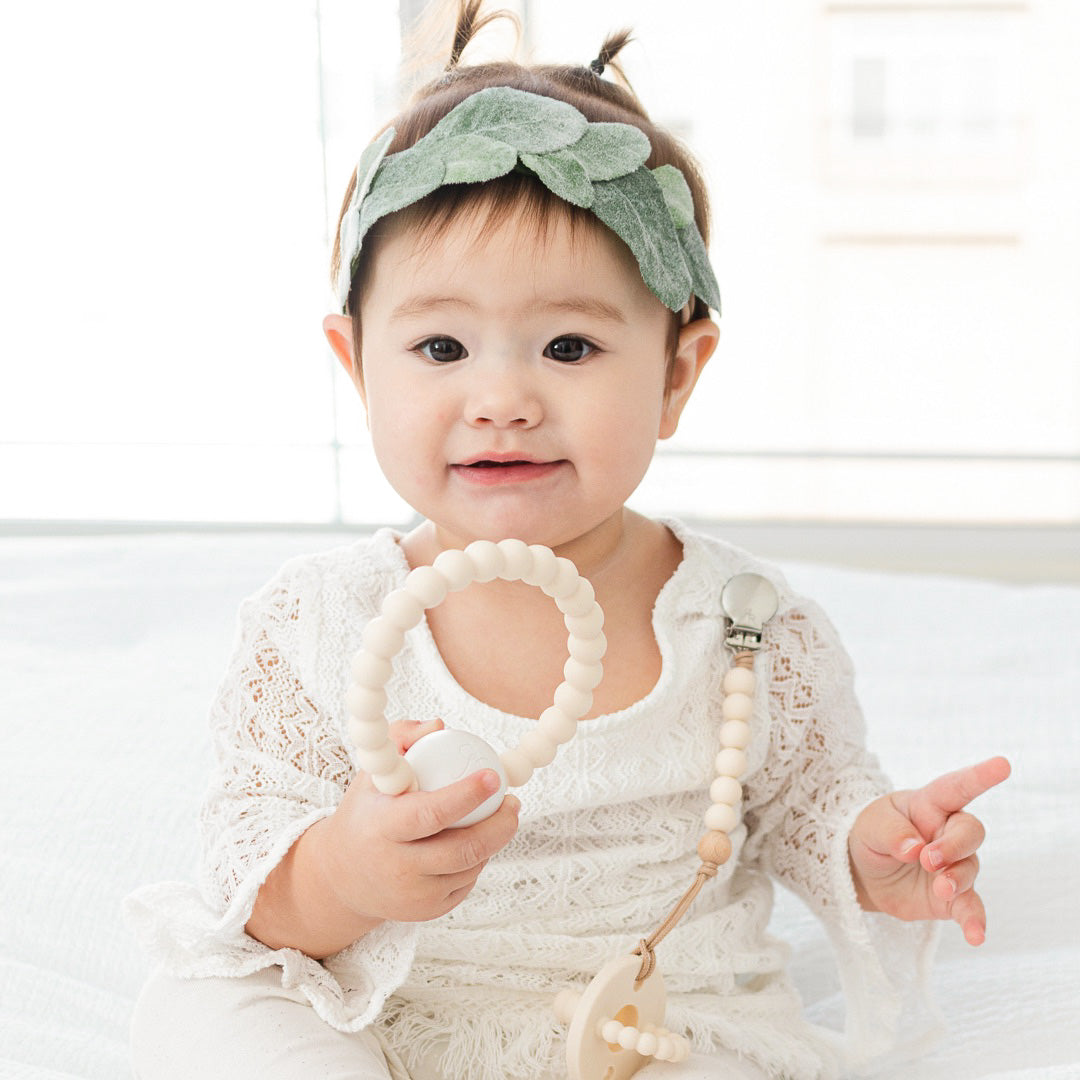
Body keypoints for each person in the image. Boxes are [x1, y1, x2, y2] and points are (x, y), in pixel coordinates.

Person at [125, 4, 1011, 1078]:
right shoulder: (321, 624)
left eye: (569, 344)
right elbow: (247, 882)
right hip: (379, 1014)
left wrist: (872, 849)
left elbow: (808, 800)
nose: (501, 397)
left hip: (648, 1028)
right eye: (442, 344)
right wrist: (344, 876)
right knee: (207, 1009)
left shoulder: (744, 627)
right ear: (357, 366)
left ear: (678, 373)